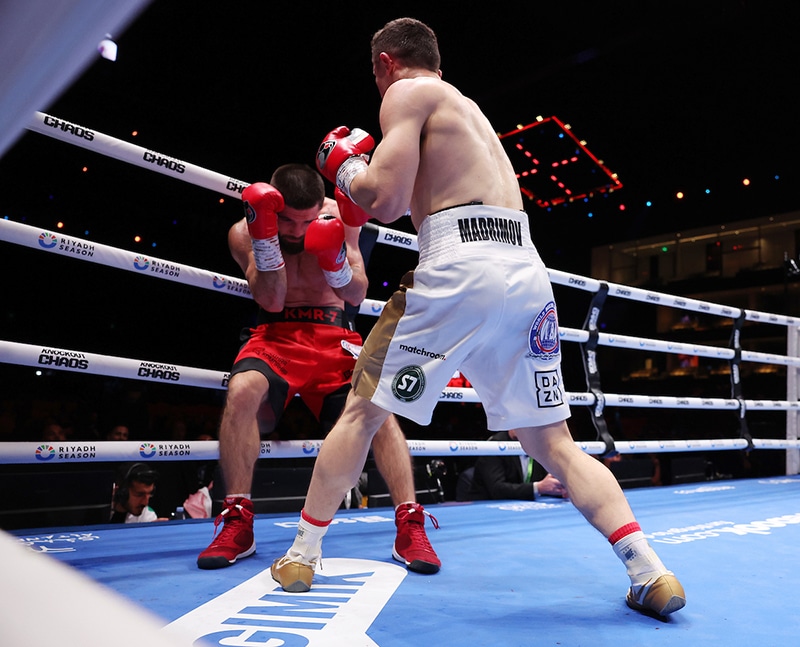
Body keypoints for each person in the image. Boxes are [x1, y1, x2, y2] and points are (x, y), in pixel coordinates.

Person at [272, 17, 685, 617]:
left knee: (361, 410)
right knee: (556, 444)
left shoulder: (407, 95)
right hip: (525, 274)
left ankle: (302, 555)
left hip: (457, 265)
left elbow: (381, 199)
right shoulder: (470, 114)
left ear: (386, 62)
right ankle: (652, 572)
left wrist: (344, 166)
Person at [196, 163, 439, 575]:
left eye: (307, 221)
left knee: (378, 409)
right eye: (287, 220)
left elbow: (357, 292)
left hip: (334, 335)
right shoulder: (244, 231)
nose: (296, 230)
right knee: (242, 391)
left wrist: (334, 260)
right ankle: (238, 519)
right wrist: (266, 241)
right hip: (275, 334)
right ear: (271, 206)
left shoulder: (339, 217)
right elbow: (270, 300)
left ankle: (410, 523)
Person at [465, 429, 568, 501]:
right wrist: (538, 487)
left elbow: (545, 482)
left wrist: (559, 489)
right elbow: (497, 489)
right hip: (485, 507)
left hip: (523, 506)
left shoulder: (537, 445)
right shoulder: (495, 446)